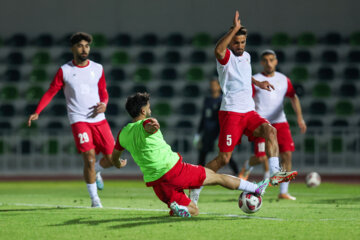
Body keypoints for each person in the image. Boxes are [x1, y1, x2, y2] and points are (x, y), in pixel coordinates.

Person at [189, 11, 298, 204]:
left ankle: (274, 173)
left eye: (242, 42)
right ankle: (196, 185)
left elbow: (244, 75)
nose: (240, 46)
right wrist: (234, 30)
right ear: (231, 42)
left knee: (270, 131)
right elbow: (218, 50)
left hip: (248, 112)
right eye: (236, 42)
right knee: (223, 159)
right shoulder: (225, 57)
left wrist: (258, 83)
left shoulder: (246, 56)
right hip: (231, 113)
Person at [111, 92, 270, 218]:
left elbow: (114, 157)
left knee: (193, 210)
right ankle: (256, 188)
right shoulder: (146, 123)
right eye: (148, 107)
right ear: (143, 111)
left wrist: (119, 164)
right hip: (174, 170)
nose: (150, 109)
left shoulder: (123, 134)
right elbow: (148, 125)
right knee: (216, 177)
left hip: (157, 184)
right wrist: (154, 124)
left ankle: (179, 208)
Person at [27, 32, 114, 208]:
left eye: (87, 46)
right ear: (72, 48)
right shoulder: (65, 70)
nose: (84, 49)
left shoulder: (98, 68)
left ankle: (97, 170)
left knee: (113, 159)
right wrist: (38, 111)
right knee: (88, 159)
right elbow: (52, 91)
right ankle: (95, 200)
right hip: (78, 119)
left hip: (99, 119)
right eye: (80, 45)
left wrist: (104, 103)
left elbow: (103, 91)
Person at [238, 49, 307, 200]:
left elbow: (293, 97)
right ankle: (248, 164)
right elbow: (246, 100)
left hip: (280, 122)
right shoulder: (255, 79)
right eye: (266, 60)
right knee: (261, 157)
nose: (269, 63)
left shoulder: (283, 79)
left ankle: (283, 191)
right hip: (262, 124)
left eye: (271, 60)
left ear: (276, 61)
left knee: (287, 154)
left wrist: (300, 118)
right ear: (262, 63)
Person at [194, 78, 239, 175]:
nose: (213, 87)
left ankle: (238, 173)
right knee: (202, 155)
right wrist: (198, 134)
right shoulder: (207, 100)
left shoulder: (222, 100)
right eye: (211, 85)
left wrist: (221, 135)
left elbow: (224, 120)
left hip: (218, 133)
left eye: (214, 85)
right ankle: (198, 176)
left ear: (219, 86)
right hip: (207, 133)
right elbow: (203, 118)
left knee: (226, 156)